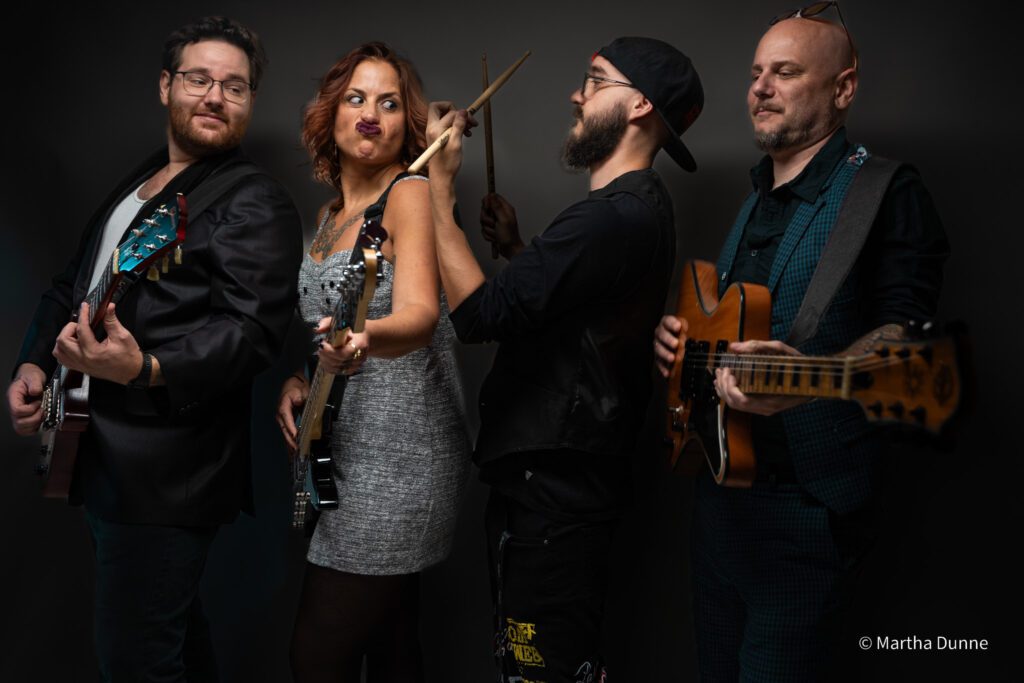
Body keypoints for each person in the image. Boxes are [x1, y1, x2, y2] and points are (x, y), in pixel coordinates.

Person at [653, 6, 950, 681]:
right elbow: (735, 323)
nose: (760, 86)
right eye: (757, 72)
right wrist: (683, 351)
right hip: (720, 501)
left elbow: (910, 351)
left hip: (806, 515)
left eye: (784, 72)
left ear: (843, 88)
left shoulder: (886, 192)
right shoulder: (755, 195)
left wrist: (810, 374)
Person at [6, 16, 302, 681]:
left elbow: (252, 333)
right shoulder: (145, 183)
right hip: (98, 453)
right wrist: (33, 362)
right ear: (166, 86)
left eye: (235, 85)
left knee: (138, 660)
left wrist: (147, 366)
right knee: (168, 648)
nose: (216, 96)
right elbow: (71, 284)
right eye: (199, 78)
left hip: (167, 477)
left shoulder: (254, 201)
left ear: (250, 100)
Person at [426, 37, 703, 682]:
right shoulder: (641, 207)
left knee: (540, 673)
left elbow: (477, 317)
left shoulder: (608, 220)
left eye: (594, 80)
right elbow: (584, 317)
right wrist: (520, 248)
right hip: (565, 492)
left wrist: (436, 192)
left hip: (556, 497)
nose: (576, 94)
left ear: (638, 104)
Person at [275, 42, 470, 683]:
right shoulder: (331, 217)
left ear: (405, 126)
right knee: (391, 648)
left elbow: (416, 315)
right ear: (330, 115)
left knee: (318, 659)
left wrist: (359, 342)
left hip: (400, 456)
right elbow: (328, 321)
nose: (370, 114)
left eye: (389, 104)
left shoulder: (408, 192)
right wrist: (305, 376)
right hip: (344, 448)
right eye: (356, 98)